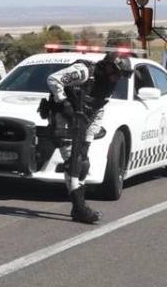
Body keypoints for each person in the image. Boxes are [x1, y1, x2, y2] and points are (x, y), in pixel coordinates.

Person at [44, 51, 133, 224]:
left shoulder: (108, 86)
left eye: (120, 76)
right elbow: (53, 79)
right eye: (116, 74)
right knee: (73, 161)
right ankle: (79, 207)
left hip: (80, 121)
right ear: (107, 67)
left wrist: (88, 141)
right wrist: (64, 102)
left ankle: (79, 206)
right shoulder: (84, 71)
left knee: (83, 163)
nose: (117, 79)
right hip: (62, 118)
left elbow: (98, 112)